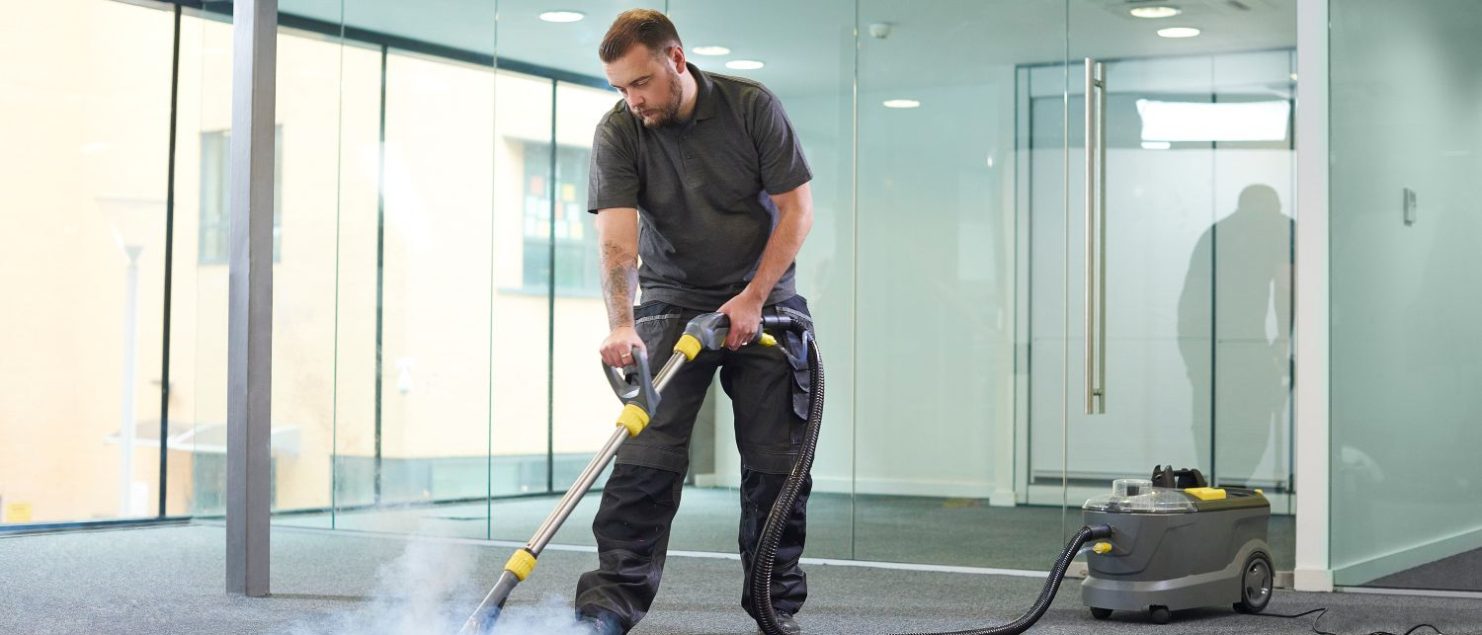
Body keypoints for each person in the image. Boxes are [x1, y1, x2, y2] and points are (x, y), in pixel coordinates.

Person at [573, 9, 816, 635]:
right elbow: (617, 242)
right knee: (644, 456)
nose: (632, 100)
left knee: (777, 464)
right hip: (672, 300)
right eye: (620, 88)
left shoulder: (751, 107)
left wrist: (753, 297)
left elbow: (797, 210)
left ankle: (774, 607)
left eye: (641, 82)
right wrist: (622, 324)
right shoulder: (619, 130)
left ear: (676, 60)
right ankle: (607, 610)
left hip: (765, 302)